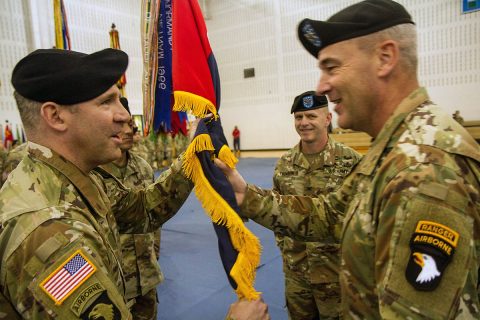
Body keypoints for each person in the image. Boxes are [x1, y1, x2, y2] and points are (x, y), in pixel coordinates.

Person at [218, 0, 480, 318]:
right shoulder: (392, 153)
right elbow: (329, 216)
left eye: (332, 67)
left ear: (385, 58)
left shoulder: (422, 172)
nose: (322, 86)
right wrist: (246, 195)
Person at [0, 48, 193, 318]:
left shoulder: (74, 177)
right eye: (106, 102)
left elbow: (141, 211)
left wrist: (193, 159)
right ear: (55, 116)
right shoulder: (48, 231)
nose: (124, 116)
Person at [274, 91, 361, 319]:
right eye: (299, 117)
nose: (304, 123)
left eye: (311, 116)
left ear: (327, 119)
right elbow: (277, 214)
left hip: (336, 275)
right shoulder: (284, 165)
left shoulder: (351, 162)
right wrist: (286, 249)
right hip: (296, 276)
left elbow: (364, 218)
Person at [100, 97, 162, 320]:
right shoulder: (93, 171)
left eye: (131, 126)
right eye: (122, 126)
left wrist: (154, 252)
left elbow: (153, 216)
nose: (128, 131)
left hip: (146, 276)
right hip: (115, 281)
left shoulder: (143, 167)